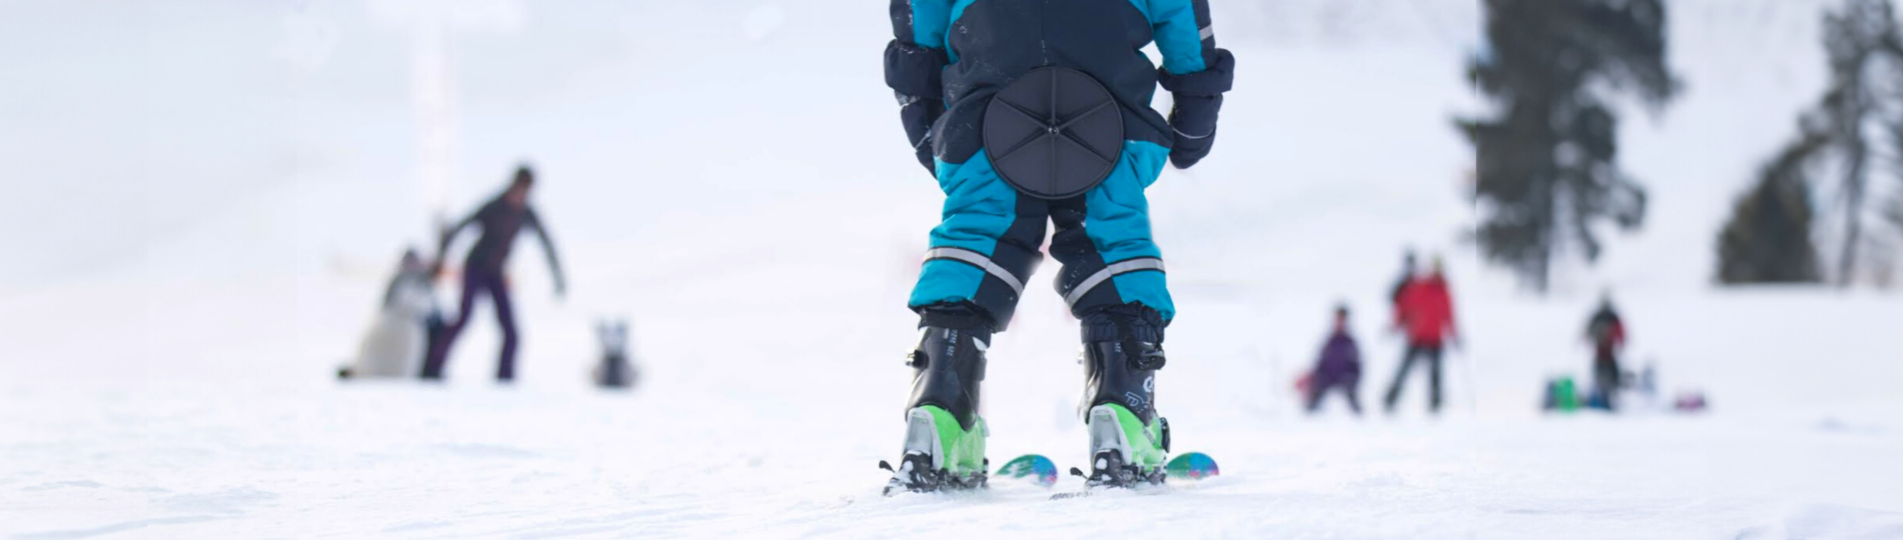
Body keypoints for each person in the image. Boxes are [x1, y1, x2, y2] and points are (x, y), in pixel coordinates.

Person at [878, 0, 1234, 493]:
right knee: (1112, 237)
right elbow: (1179, 12)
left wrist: (922, 109)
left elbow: (921, 13)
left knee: (975, 236)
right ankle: (1121, 414)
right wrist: (1196, 104)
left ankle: (940, 414)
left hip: (986, 99)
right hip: (1110, 102)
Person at [421, 165, 567, 382]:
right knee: (464, 318)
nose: (521, 194)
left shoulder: (526, 213)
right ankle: (432, 368)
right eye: (519, 188)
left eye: (526, 190)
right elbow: (460, 227)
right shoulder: (495, 205)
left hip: (496, 273)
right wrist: (440, 260)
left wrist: (558, 277)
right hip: (475, 267)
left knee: (511, 330)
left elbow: (547, 244)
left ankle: (504, 378)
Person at [339, 248, 441, 380]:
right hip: (393, 325)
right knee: (377, 355)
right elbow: (418, 306)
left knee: (400, 361)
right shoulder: (402, 281)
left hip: (406, 329)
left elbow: (427, 309)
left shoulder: (419, 283)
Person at [1383, 256, 1458, 414]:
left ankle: (1435, 405)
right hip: (1417, 336)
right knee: (1404, 370)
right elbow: (1405, 307)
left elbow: (1449, 314)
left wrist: (1454, 333)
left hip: (1435, 338)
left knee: (1436, 374)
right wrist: (1395, 325)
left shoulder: (1444, 289)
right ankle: (1390, 399)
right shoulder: (1420, 287)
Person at [1305, 305, 1363, 416]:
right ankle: (1307, 416)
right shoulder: (1329, 341)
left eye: (1342, 319)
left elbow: (1357, 366)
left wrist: (1352, 378)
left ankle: (1361, 419)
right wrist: (1318, 376)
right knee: (1314, 398)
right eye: (1337, 319)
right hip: (1328, 378)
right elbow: (1320, 362)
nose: (1339, 322)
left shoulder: (1350, 343)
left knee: (1354, 401)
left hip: (1345, 379)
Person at [1584, 296, 1627, 410]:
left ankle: (1605, 401)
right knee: (1609, 379)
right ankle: (1604, 401)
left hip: (1604, 355)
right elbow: (1621, 333)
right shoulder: (1611, 317)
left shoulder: (1598, 317)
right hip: (1606, 355)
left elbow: (1588, 332)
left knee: (1604, 379)